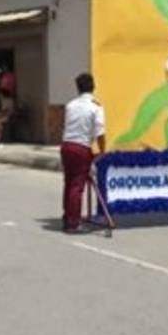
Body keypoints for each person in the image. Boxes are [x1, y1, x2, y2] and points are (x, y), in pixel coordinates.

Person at [60, 73, 106, 233]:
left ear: (77, 88)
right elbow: (100, 132)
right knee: (77, 186)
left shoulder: (70, 105)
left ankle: (67, 218)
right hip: (81, 147)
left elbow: (66, 126)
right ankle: (73, 223)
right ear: (93, 86)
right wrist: (102, 150)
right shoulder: (96, 107)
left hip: (66, 146)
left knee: (69, 182)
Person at [0, 67, 17, 145]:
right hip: (3, 115)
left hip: (8, 115)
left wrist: (0, 114)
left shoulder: (9, 100)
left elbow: (7, 110)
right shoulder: (3, 101)